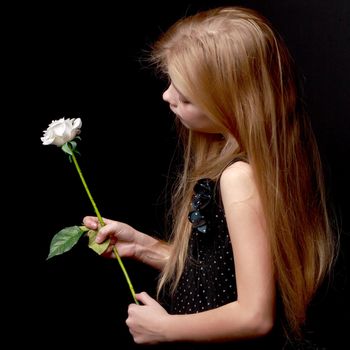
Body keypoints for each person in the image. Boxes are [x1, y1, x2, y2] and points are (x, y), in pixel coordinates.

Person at [83, 6, 337, 349]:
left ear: (232, 105)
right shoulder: (261, 166)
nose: (167, 96)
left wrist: (165, 329)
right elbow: (222, 273)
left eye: (184, 96)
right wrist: (144, 247)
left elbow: (255, 316)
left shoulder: (239, 179)